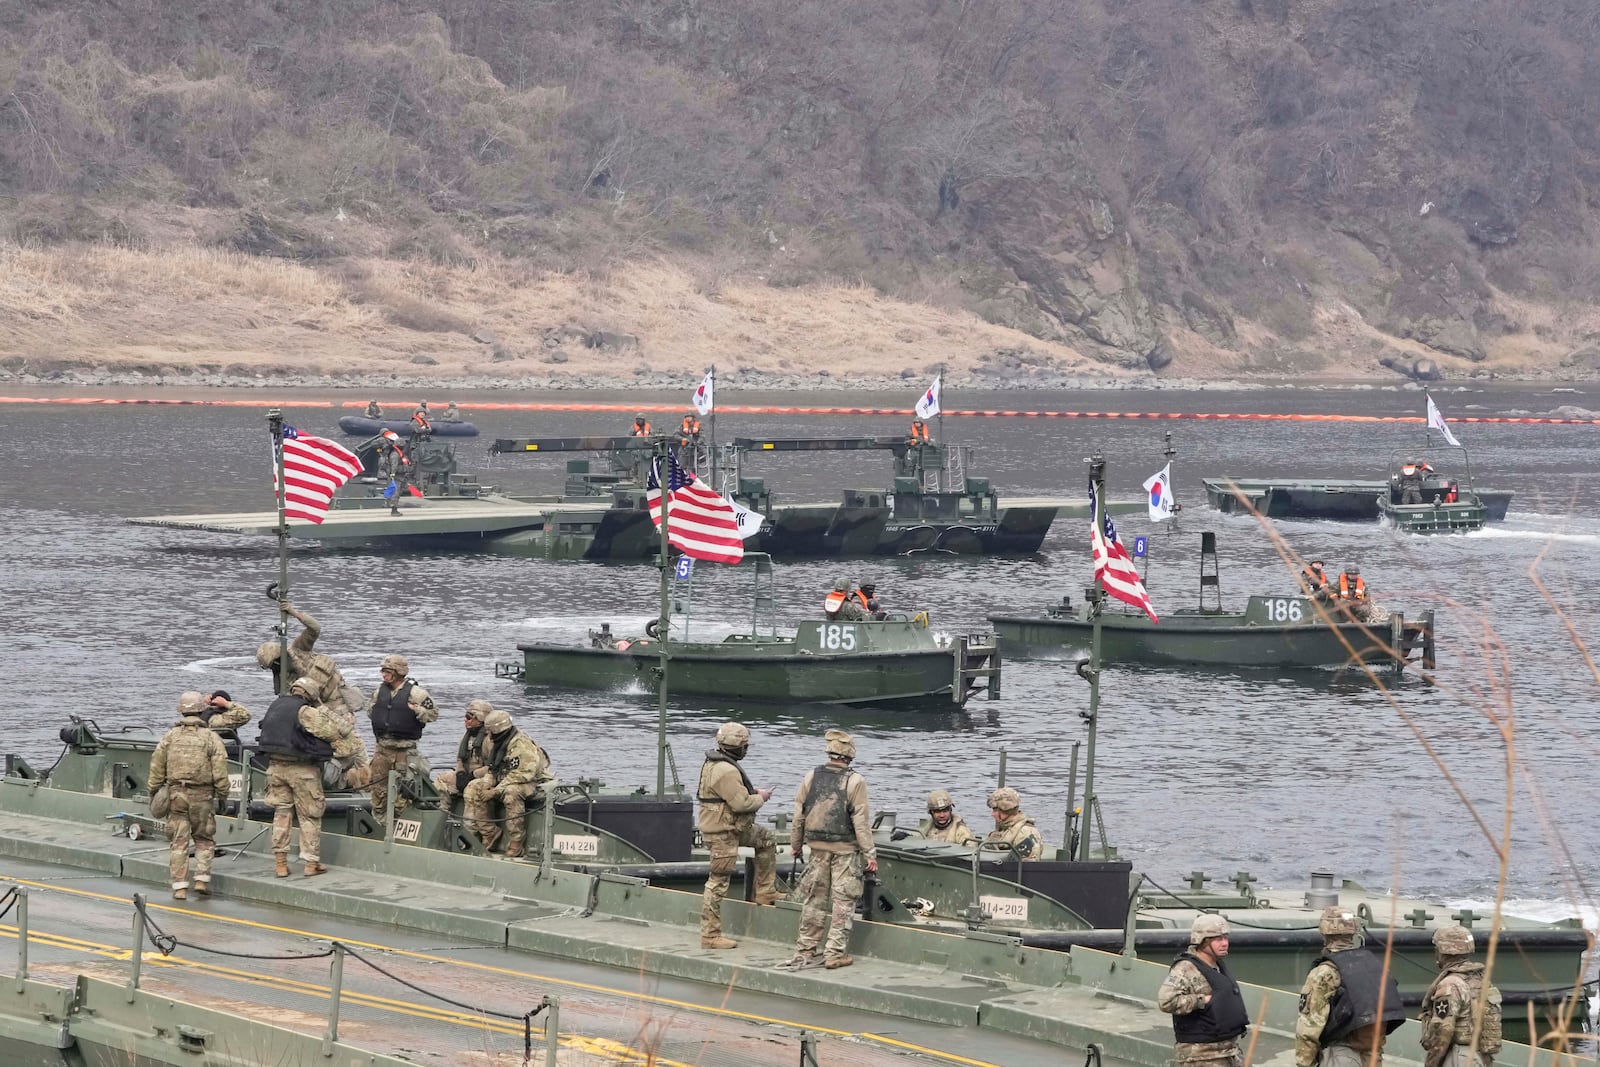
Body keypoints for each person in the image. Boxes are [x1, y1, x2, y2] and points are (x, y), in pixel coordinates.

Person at [780, 729, 875, 971]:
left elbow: (799, 815)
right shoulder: (855, 781)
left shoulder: (812, 776)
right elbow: (860, 822)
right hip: (845, 852)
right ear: (849, 756)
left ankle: (805, 949)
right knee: (843, 902)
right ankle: (834, 953)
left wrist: (795, 845)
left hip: (817, 850)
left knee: (814, 901)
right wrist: (870, 854)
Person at [697, 722, 779, 949]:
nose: (747, 749)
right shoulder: (726, 770)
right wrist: (761, 797)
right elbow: (742, 803)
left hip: (733, 828)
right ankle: (710, 935)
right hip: (723, 833)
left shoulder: (716, 764)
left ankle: (765, 891)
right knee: (718, 883)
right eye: (745, 745)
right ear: (737, 747)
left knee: (766, 839)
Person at [1295, 906, 1406, 1067]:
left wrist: (1304, 1064)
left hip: (1341, 1055)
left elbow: (1308, 1029)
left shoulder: (1324, 973)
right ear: (1353, 930)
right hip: (1373, 1054)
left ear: (1324, 932)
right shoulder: (1376, 966)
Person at [258, 676, 345, 878]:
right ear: (310, 695)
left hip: (275, 768)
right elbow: (331, 732)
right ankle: (310, 864)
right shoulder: (305, 711)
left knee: (281, 814)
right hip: (302, 770)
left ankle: (280, 864)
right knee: (310, 816)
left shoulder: (276, 706)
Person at [148, 692, 231, 900]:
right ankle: (202, 879)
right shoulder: (212, 738)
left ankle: (180, 887)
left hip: (176, 794)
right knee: (203, 838)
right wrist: (222, 796)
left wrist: (154, 791)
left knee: (179, 841)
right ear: (201, 711)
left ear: (182, 711)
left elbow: (156, 768)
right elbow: (220, 772)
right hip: (203, 795)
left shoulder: (170, 737)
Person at [1158, 914, 1250, 1067]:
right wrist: (1202, 1000)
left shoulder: (1217, 966)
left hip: (1228, 1051)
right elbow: (1166, 1001)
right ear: (1202, 941)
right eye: (1218, 939)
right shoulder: (1185, 969)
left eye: (1226, 938)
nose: (1225, 943)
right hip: (1201, 1056)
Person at [463, 707, 552, 858]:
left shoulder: (521, 744)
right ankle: (489, 832)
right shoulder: (496, 743)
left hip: (533, 781)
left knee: (511, 792)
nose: (488, 734)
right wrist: (486, 784)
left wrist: (496, 790)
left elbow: (523, 774)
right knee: (474, 787)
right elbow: (493, 769)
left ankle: (517, 841)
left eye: (490, 731)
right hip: (506, 777)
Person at [366, 654, 438, 825]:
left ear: (398, 672)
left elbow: (433, 714)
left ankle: (400, 828)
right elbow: (371, 711)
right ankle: (380, 825)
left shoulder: (416, 694)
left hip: (405, 752)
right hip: (382, 749)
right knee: (378, 791)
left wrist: (416, 710)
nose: (384, 675)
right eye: (383, 671)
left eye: (388, 671)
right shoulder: (379, 691)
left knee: (404, 794)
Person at [254, 602, 359, 717]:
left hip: (339, 704)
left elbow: (315, 628)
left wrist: (294, 613)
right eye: (272, 667)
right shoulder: (283, 679)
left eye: (275, 663)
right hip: (320, 712)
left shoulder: (299, 649)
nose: (275, 668)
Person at [1420, 926, 1502, 1067]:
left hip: (1459, 1057)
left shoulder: (1450, 985)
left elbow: (1442, 1031)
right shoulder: (1480, 980)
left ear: (1442, 951)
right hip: (1480, 1056)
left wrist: (1431, 1063)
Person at [432, 699, 491, 802]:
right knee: (441, 780)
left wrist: (473, 775)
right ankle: (442, 811)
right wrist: (460, 774)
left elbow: (492, 766)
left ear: (480, 719)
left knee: (471, 789)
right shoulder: (466, 738)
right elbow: (460, 759)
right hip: (467, 775)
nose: (465, 720)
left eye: (469, 717)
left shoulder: (489, 740)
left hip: (484, 777)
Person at [983, 787, 1047, 859]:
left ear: (1006, 809)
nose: (993, 814)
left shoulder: (1026, 832)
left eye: (995, 811)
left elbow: (1027, 865)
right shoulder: (1005, 828)